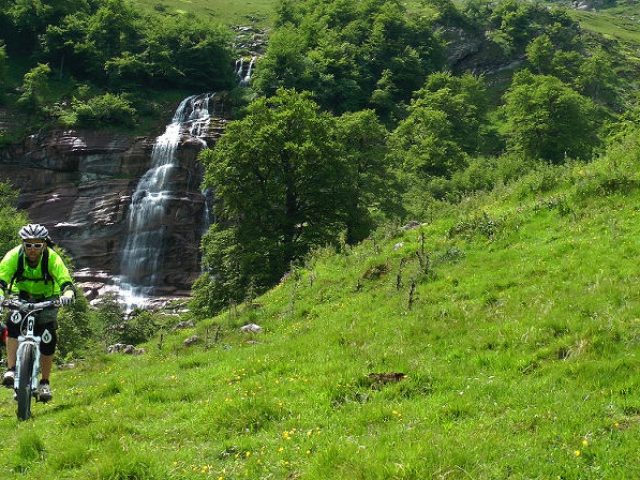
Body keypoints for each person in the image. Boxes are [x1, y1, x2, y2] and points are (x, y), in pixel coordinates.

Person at [0, 223, 75, 402]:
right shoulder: (14, 256)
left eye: (37, 245)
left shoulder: (52, 258)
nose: (32, 249)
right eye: (28, 245)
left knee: (48, 337)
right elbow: (1, 278)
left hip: (47, 299)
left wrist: (68, 293)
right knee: (13, 322)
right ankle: (11, 369)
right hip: (21, 297)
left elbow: (64, 279)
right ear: (23, 244)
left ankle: (44, 382)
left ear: (43, 244)